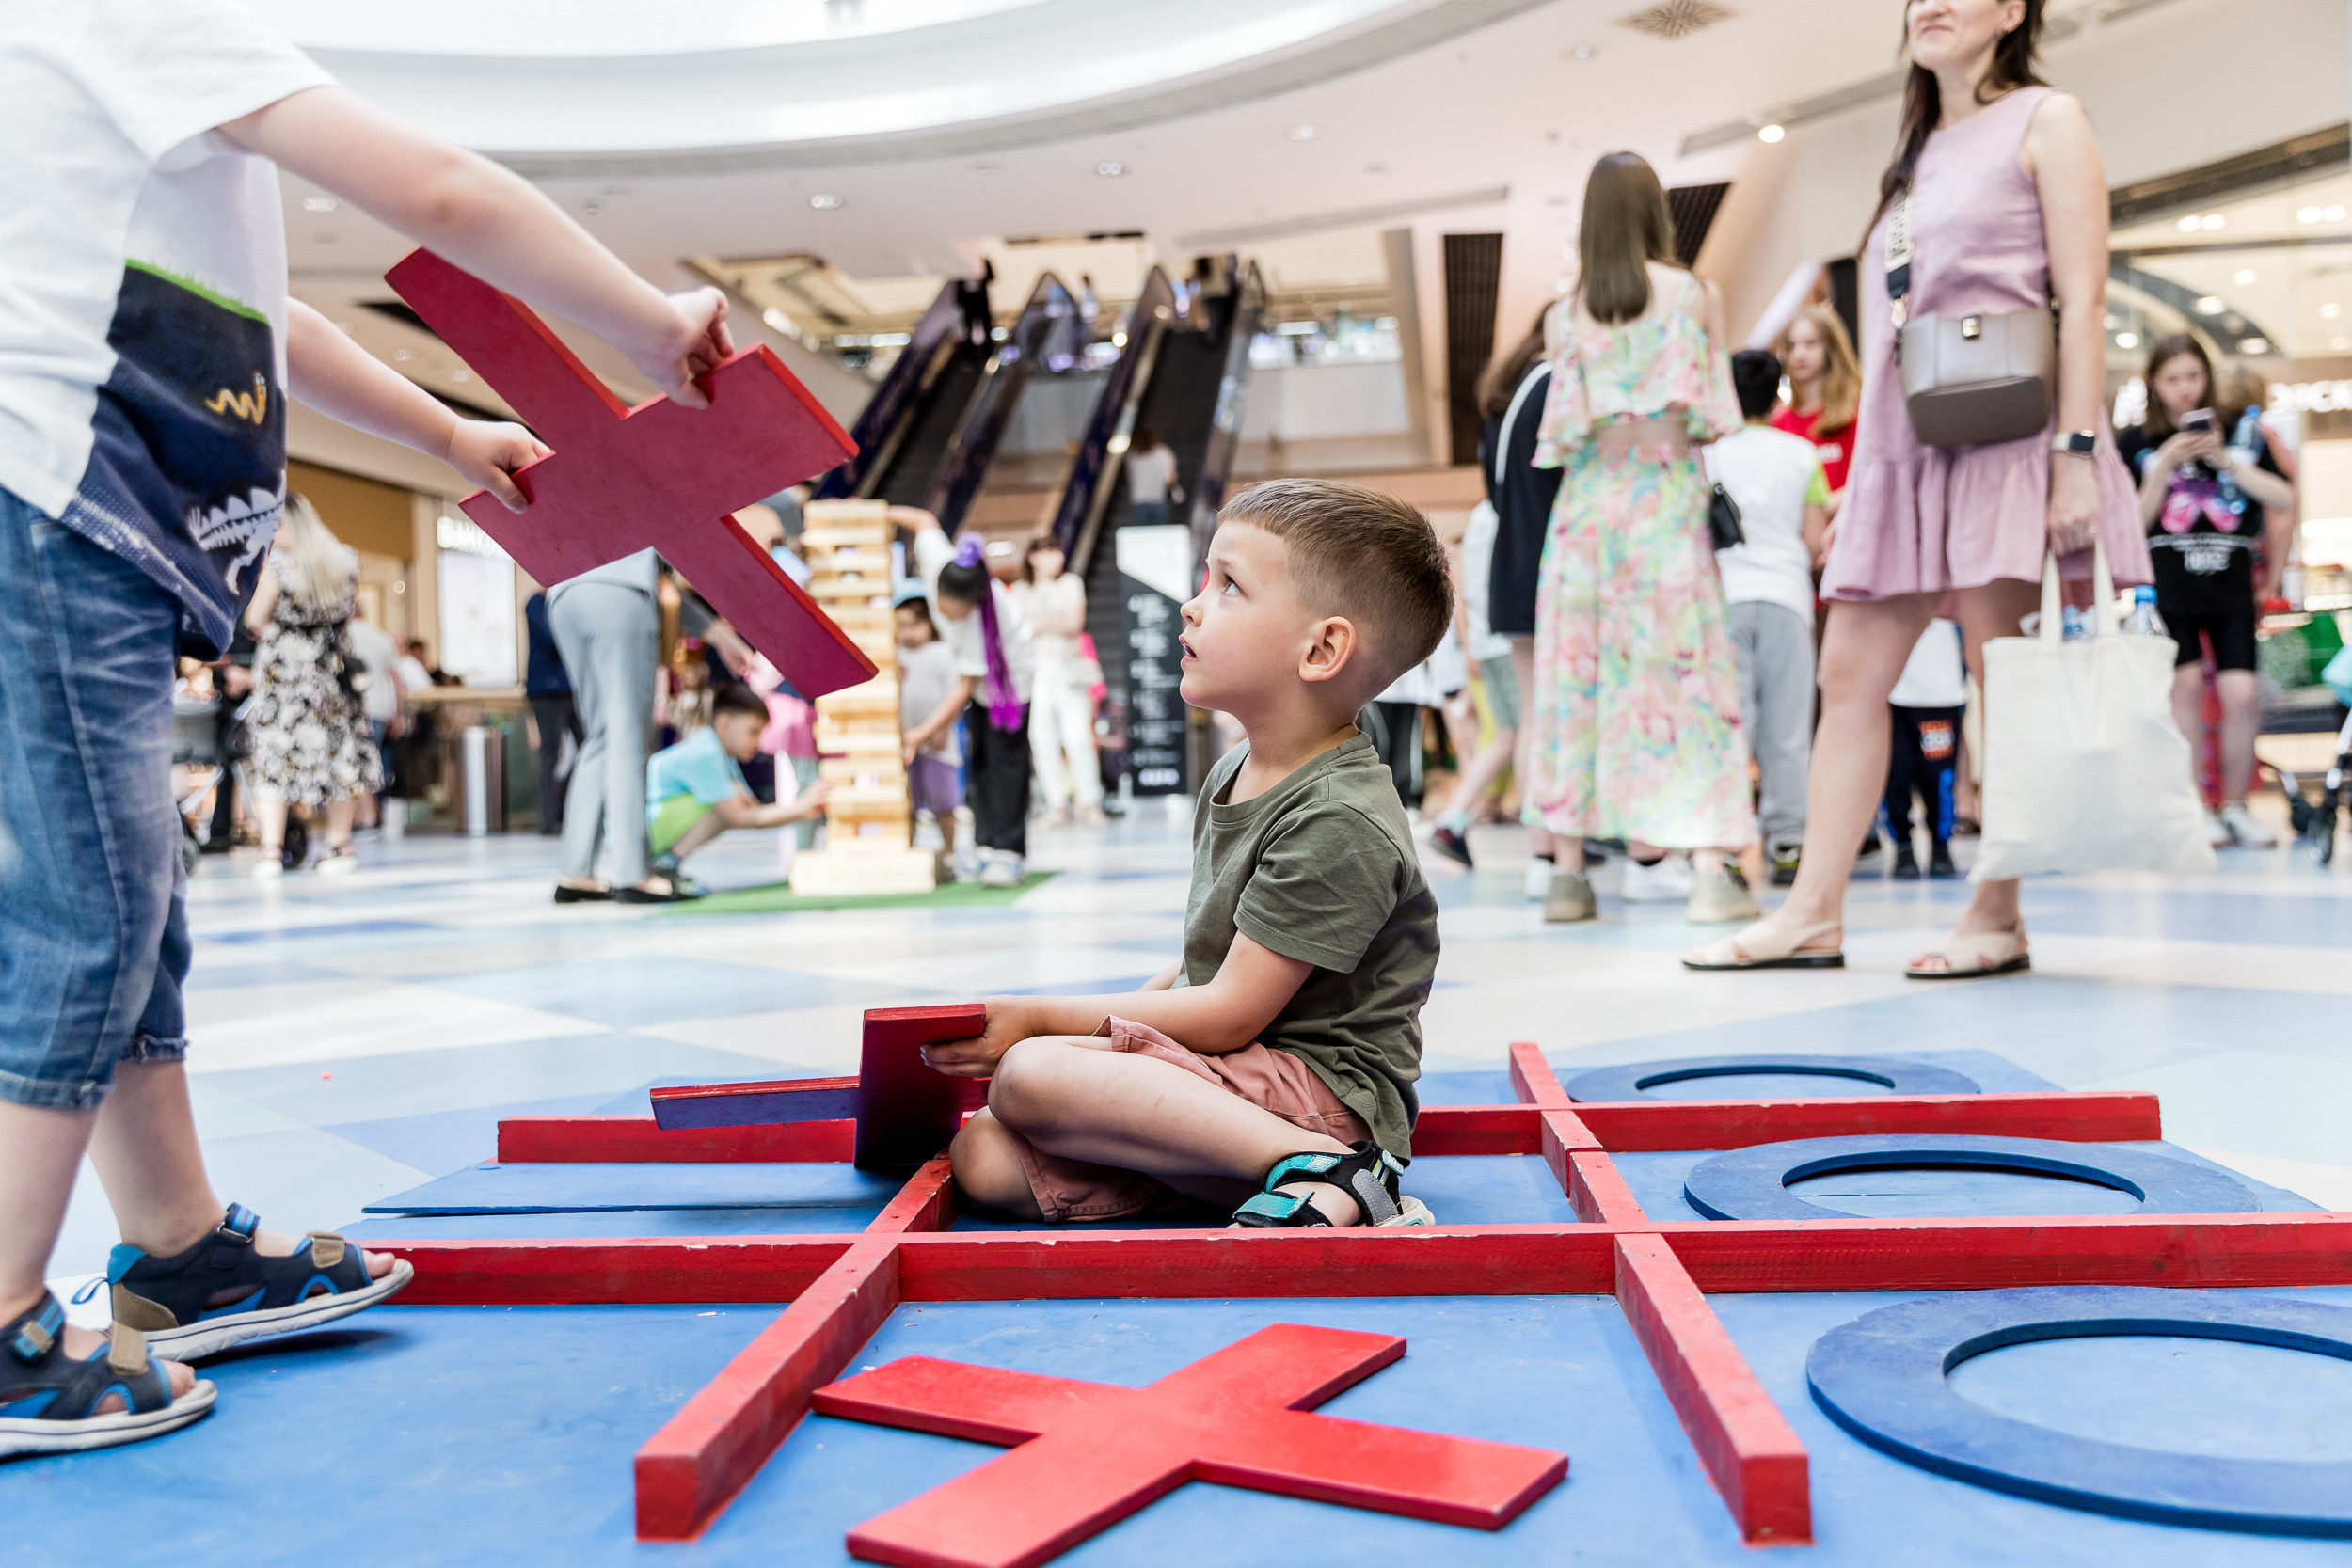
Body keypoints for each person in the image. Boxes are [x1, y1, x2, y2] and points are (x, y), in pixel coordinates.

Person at [0, 1, 737, 1455]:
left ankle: (182, 1241)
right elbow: (438, 192)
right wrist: (651, 325)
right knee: (85, 909)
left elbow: (269, 324)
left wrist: (450, 437)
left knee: (133, 902)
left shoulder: (88, 87)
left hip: (93, 524)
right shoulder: (128, 16)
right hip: (58, 514)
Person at [1690, 0, 2149, 977]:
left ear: (2013, 10)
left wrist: (2073, 451)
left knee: (2002, 678)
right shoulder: (1918, 149)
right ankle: (1812, 910)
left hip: (2008, 435)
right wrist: (1859, 481)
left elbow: (2083, 296)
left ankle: (1998, 909)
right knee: (1847, 670)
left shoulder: (2047, 118)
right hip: (1907, 447)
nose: (1927, 2)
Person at [931, 480, 1449, 1230]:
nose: (1192, 603)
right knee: (984, 1154)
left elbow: (1231, 1008)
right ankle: (1275, 1181)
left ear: (1322, 648)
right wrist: (1108, 1041)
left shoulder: (1340, 816)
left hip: (1321, 1098)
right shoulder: (1234, 770)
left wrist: (1046, 1021)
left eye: (1230, 585)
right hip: (1234, 1076)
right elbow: (1202, 963)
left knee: (1031, 1073)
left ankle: (1339, 1172)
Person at [1523, 150, 1758, 927]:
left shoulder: (1564, 317)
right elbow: (1715, 418)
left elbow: (1560, 436)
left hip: (1587, 515)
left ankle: (1566, 874)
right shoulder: (1691, 296)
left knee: (1574, 689)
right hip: (1663, 511)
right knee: (1688, 681)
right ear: (1657, 212)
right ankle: (1709, 871)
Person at [2116, 335, 2295, 849]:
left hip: (2232, 585)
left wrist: (2228, 462)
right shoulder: (2136, 442)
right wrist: (2166, 462)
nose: (2184, 390)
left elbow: (2283, 498)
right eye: (2172, 380)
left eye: (2193, 377)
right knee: (2185, 691)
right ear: (2154, 383)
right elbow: (2129, 521)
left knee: (2241, 696)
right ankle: (2195, 807)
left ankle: (2236, 805)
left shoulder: (2245, 434)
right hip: (2168, 588)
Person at [1707, 349, 1831, 885]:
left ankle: (1730, 848)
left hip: (1723, 598)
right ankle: (1788, 844)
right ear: (1778, 393)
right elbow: (1813, 539)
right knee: (1788, 729)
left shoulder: (1707, 454)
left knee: (1731, 728)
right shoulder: (1803, 455)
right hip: (1786, 598)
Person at [240, 496, 382, 877]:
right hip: (332, 672)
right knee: (339, 756)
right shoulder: (345, 561)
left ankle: (271, 851)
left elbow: (254, 618)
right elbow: (347, 612)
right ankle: (341, 846)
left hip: (285, 678)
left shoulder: (278, 567)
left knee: (275, 757)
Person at [1475, 314, 1567, 898]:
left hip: (1509, 569)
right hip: (1553, 569)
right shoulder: (1558, 385)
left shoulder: (1504, 404)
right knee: (1564, 714)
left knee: (1534, 714)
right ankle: (1576, 854)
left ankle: (1543, 856)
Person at [900, 507, 1037, 888]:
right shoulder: (941, 565)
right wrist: (876, 513)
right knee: (979, 759)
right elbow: (924, 520)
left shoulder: (983, 621)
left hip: (1010, 683)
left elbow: (962, 688)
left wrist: (918, 733)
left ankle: (1009, 852)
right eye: (944, 608)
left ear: (975, 605)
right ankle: (983, 844)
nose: (948, 616)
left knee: (1005, 762)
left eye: (956, 613)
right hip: (979, 682)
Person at [549, 551, 678, 904]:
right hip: (622, 587)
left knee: (602, 735)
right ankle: (633, 872)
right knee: (629, 736)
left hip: (564, 592)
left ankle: (575, 872)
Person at [644, 683, 829, 885]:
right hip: (646, 827)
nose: (758, 743)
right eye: (753, 732)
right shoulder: (707, 752)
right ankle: (665, 864)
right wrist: (801, 807)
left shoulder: (722, 754)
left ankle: (668, 862)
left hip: (654, 825)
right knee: (720, 806)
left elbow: (752, 810)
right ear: (724, 724)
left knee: (728, 802)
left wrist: (802, 809)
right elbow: (741, 816)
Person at [1427, 501, 1518, 867]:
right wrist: (1469, 649)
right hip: (1504, 644)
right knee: (1513, 734)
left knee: (1508, 735)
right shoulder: (1499, 518)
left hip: (1490, 645)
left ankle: (1456, 819)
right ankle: (1455, 819)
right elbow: (1462, 600)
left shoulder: (1484, 519)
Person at [1013, 534, 1106, 827]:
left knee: (1077, 735)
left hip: (1068, 666)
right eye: (1049, 552)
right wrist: (1053, 621)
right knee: (1040, 738)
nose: (1056, 558)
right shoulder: (1018, 590)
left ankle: (1088, 803)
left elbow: (1073, 624)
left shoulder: (1070, 583)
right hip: (1034, 669)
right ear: (1033, 557)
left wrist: (1037, 624)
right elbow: (1019, 631)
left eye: (1057, 552)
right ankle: (1055, 805)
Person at [1884, 619, 1967, 879]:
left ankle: (1941, 847)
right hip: (1892, 693)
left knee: (1939, 780)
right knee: (1895, 774)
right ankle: (1903, 847)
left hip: (1940, 694)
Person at [1772, 304, 1863, 522]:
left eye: (1811, 343)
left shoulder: (1856, 414)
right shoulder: (1779, 425)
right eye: (1792, 346)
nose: (1799, 354)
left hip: (1851, 532)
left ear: (1831, 348)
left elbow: (1871, 480)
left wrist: (1825, 508)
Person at [896, 592, 965, 866]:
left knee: (944, 801)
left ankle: (949, 851)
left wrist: (943, 729)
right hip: (903, 741)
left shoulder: (941, 653)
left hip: (938, 741)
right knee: (907, 801)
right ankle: (906, 849)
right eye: (901, 626)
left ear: (929, 624)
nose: (908, 633)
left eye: (915, 625)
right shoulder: (894, 656)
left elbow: (955, 695)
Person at [522, 588, 578, 837]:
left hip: (569, 688)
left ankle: (571, 811)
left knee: (588, 748)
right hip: (545, 691)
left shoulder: (565, 600)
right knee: (550, 754)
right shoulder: (537, 604)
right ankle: (549, 818)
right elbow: (552, 636)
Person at [342, 605, 402, 832]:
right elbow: (397, 680)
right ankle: (374, 814)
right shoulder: (382, 638)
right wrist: (399, 714)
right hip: (380, 709)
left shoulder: (342, 637)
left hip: (353, 708)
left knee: (356, 763)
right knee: (375, 761)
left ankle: (366, 816)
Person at [1124, 426, 1180, 528]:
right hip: (1158, 499)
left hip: (1138, 501)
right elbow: (1170, 478)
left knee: (1141, 536)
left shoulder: (1132, 454)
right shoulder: (1163, 453)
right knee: (1159, 536)